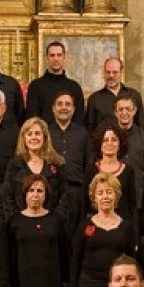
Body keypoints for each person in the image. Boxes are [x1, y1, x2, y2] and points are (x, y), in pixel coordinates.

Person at [68, 173, 139, 287]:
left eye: (109, 192)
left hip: (118, 286)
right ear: (94, 198)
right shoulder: (85, 225)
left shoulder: (127, 227)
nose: (105, 196)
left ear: (116, 195)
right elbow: (75, 259)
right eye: (100, 193)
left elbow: (133, 260)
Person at [2, 116, 65, 219]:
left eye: (37, 133)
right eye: (29, 134)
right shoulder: (15, 164)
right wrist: (15, 220)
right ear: (24, 138)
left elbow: (65, 196)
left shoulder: (57, 163)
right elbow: (7, 196)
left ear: (44, 137)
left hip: (51, 223)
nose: (34, 137)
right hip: (20, 223)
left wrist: (56, 219)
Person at [48, 90, 91, 237]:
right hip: (52, 193)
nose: (63, 107)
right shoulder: (45, 133)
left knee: (75, 235)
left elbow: (88, 164)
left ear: (73, 109)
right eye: (59, 104)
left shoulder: (83, 133)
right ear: (53, 108)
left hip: (76, 194)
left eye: (68, 104)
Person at [83, 121, 138, 223]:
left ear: (120, 144)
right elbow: (84, 205)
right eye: (105, 140)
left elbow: (132, 206)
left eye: (114, 140)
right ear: (99, 144)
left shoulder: (128, 171)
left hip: (122, 227)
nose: (109, 143)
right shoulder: (90, 170)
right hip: (96, 225)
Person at [26, 41, 85, 127]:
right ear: (47, 58)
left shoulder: (74, 87)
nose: (56, 59)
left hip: (70, 138)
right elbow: (32, 119)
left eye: (59, 55)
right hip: (44, 137)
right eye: (52, 55)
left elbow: (80, 120)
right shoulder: (35, 86)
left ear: (64, 57)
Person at [85, 57, 144, 132]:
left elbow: (141, 126)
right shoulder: (94, 99)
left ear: (121, 73)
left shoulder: (134, 95)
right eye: (108, 72)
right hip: (104, 142)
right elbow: (90, 129)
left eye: (115, 72)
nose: (111, 75)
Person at [115, 94, 144, 210]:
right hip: (114, 196)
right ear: (115, 113)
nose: (124, 113)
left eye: (128, 109)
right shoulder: (108, 137)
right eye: (120, 109)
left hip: (138, 196)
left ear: (134, 111)